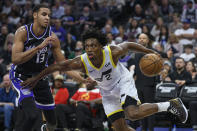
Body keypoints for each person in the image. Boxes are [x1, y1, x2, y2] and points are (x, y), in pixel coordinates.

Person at [21, 28, 188, 131]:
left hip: (123, 82)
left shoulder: (112, 52)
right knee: (121, 128)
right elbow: (56, 67)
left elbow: (129, 45)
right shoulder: (82, 61)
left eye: (93, 45)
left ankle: (170, 104)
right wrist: (36, 78)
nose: (90, 49)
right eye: (87, 46)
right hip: (107, 92)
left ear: (100, 46)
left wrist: (149, 52)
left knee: (132, 113)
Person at [9, 4, 90, 131]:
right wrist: (38, 47)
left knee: (52, 123)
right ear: (35, 15)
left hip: (40, 77)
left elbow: (63, 65)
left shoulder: (53, 38)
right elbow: (15, 59)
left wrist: (83, 80)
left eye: (49, 15)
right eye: (44, 14)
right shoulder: (22, 32)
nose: (47, 18)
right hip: (21, 77)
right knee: (32, 115)